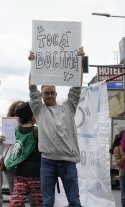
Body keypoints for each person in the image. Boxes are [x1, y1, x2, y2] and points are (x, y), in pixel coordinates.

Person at [28, 48, 84, 207]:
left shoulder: (68, 107)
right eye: (46, 93)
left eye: (52, 92)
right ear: (42, 95)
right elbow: (32, 88)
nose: (50, 95)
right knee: (47, 202)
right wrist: (32, 63)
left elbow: (76, 87)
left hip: (68, 161)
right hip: (47, 162)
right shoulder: (39, 110)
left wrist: (79, 60)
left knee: (74, 202)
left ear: (56, 93)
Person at [6, 102, 42, 207]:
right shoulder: (37, 131)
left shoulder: (16, 131)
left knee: (16, 202)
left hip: (20, 173)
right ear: (32, 117)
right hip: (36, 174)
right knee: (39, 202)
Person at [0, 100, 25, 195]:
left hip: (25, 165)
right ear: (13, 111)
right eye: (17, 109)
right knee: (15, 194)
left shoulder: (31, 125)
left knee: (30, 196)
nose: (20, 111)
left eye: (22, 108)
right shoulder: (6, 126)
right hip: (10, 165)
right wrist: (0, 142)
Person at [110, 130, 125, 207]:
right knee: (124, 196)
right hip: (123, 174)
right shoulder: (117, 149)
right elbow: (118, 164)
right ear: (122, 139)